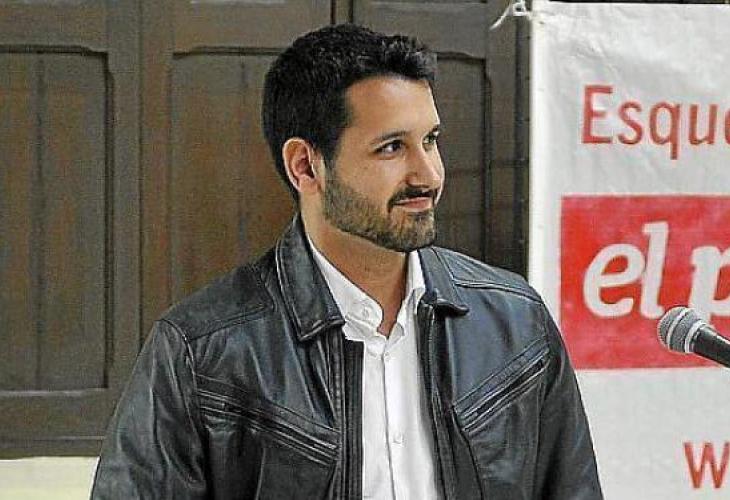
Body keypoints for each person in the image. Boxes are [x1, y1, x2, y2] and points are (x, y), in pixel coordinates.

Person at [92, 24, 602, 499]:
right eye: (391, 148)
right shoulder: (201, 352)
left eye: (430, 141)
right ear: (305, 166)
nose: (428, 174)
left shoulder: (516, 323)